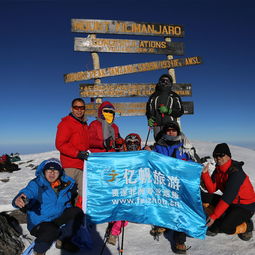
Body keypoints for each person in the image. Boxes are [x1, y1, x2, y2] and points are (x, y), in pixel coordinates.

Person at [145, 121, 200, 254]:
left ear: (178, 132)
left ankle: (180, 240)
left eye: (173, 130)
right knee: (161, 203)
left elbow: (194, 163)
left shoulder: (185, 146)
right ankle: (163, 224)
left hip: (180, 184)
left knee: (180, 209)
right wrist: (148, 152)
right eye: (168, 130)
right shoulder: (158, 146)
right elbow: (151, 161)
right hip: (163, 183)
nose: (170, 132)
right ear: (164, 132)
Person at [12, 158, 84, 255]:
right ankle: (39, 251)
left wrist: (69, 214)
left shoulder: (65, 184)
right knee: (51, 230)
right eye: (49, 170)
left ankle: (63, 241)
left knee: (77, 212)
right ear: (44, 171)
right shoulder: (37, 184)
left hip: (56, 219)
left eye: (55, 171)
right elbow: (27, 192)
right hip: (39, 223)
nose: (52, 173)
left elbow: (66, 203)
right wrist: (19, 199)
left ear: (60, 173)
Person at [201, 143, 255, 241]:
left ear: (228, 156)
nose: (218, 158)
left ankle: (247, 226)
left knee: (226, 227)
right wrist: (205, 174)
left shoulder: (236, 173)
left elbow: (227, 198)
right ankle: (221, 216)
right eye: (216, 155)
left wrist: (214, 216)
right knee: (203, 196)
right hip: (231, 202)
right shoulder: (218, 170)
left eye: (221, 155)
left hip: (245, 206)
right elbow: (212, 189)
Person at [106, 133, 142, 245]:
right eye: (129, 143)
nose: (132, 145)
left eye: (135, 143)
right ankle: (114, 229)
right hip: (120, 188)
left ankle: (114, 232)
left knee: (125, 209)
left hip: (135, 190)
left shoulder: (143, 156)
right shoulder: (119, 156)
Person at [55, 98, 89, 208]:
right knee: (66, 194)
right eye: (76, 107)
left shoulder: (84, 125)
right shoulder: (66, 123)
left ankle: (79, 217)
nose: (79, 110)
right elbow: (60, 144)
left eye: (81, 108)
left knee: (84, 194)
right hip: (70, 166)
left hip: (83, 165)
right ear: (71, 108)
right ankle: (63, 218)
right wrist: (77, 153)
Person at [146, 74, 184, 141]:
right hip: (157, 125)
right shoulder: (154, 96)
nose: (164, 83)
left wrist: (169, 111)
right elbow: (149, 111)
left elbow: (180, 111)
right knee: (159, 144)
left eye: (167, 81)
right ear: (159, 82)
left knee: (171, 144)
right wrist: (150, 119)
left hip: (171, 126)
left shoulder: (174, 96)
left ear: (170, 83)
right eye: (162, 81)